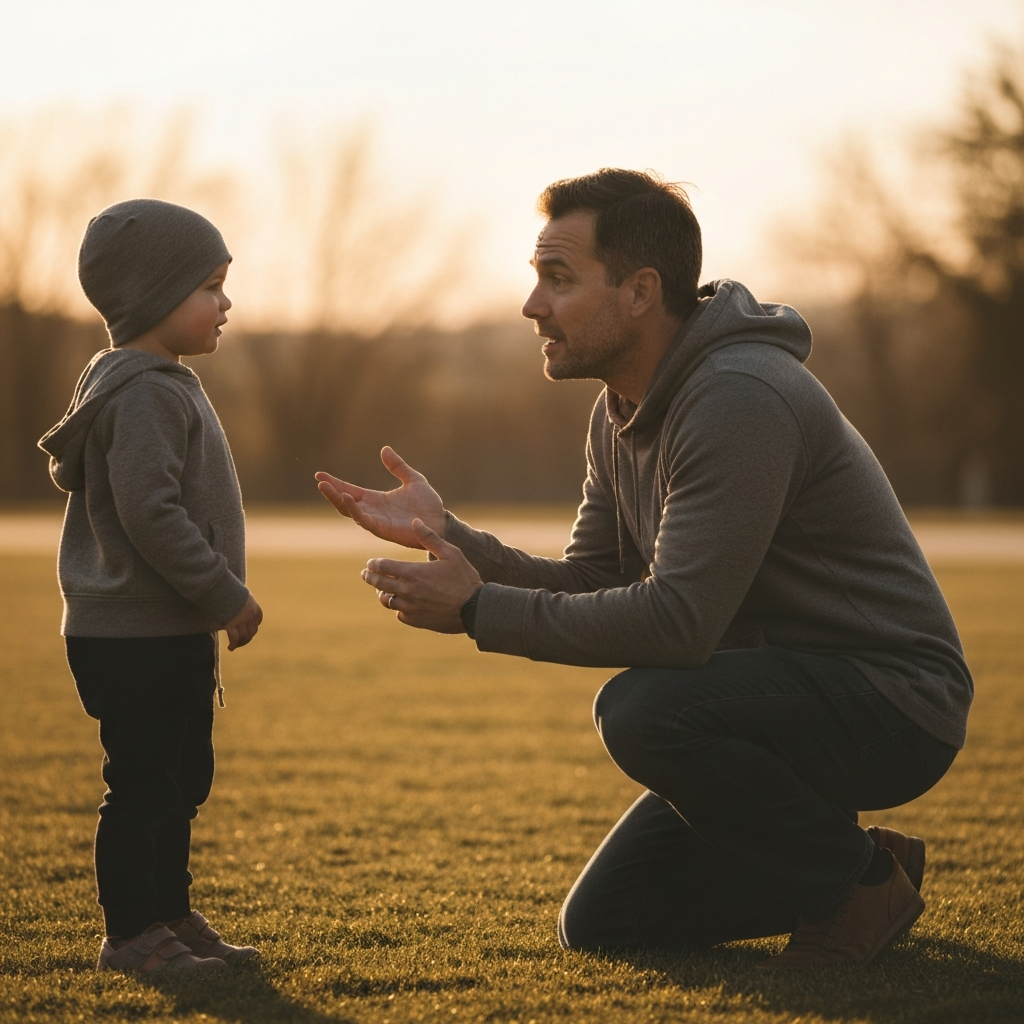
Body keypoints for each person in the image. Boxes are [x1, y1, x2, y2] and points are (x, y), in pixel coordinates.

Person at [315, 169, 972, 968]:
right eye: (535, 279)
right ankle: (863, 864)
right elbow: (595, 581)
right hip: (771, 697)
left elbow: (677, 624)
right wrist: (451, 536)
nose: (532, 306)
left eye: (558, 279)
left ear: (639, 291)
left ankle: (852, 887)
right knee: (605, 924)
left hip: (890, 700)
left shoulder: (739, 398)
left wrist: (478, 611)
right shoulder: (619, 410)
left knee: (641, 710)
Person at [38, 199, 263, 975]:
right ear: (155, 294)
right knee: (144, 784)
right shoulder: (144, 393)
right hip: (134, 634)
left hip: (159, 631)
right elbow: (151, 513)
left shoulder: (150, 381)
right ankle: (132, 934)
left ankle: (168, 913)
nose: (225, 302)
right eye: (209, 285)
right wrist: (223, 594)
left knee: (179, 779)